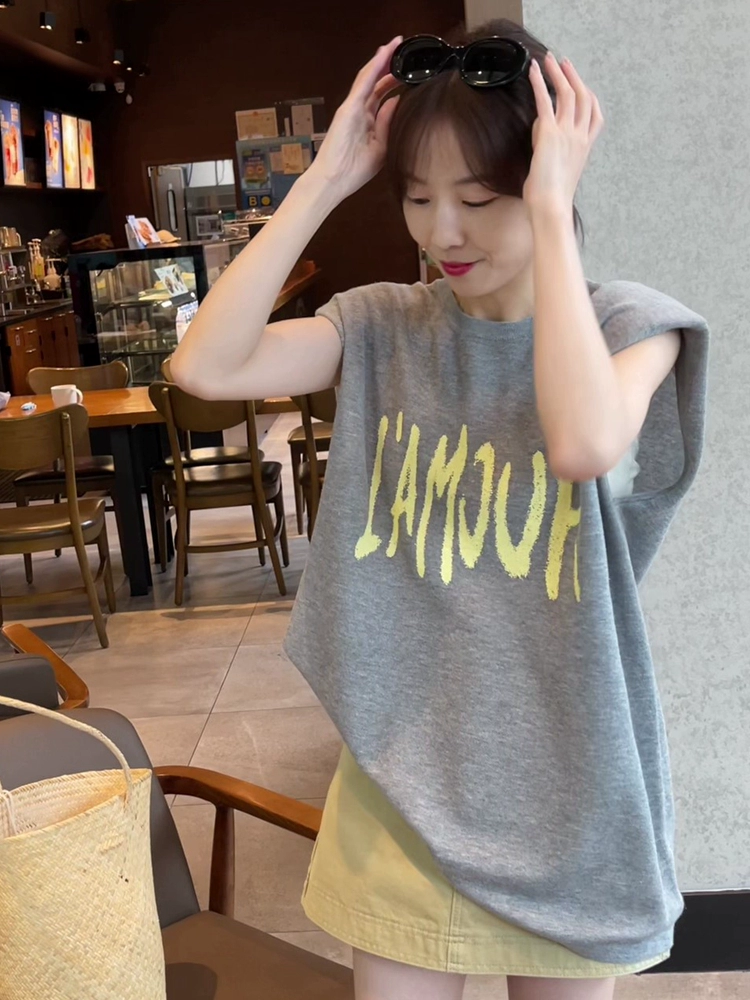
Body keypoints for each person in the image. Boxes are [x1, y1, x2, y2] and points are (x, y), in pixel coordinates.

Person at [171, 18, 710, 1000]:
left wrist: (551, 213)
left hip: (566, 787)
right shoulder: (383, 326)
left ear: (546, 179)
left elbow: (582, 443)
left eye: (478, 198)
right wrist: (323, 179)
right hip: (402, 782)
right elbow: (203, 367)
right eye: (418, 197)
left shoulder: (631, 326)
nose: (441, 232)